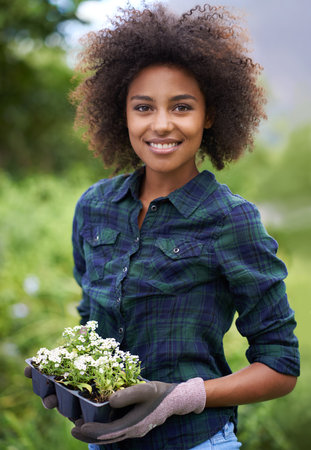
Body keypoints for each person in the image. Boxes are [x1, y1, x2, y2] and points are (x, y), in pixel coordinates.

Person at [26, 3, 300, 449]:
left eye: (182, 106)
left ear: (209, 114)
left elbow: (281, 366)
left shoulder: (231, 219)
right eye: (143, 107)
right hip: (106, 441)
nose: (161, 124)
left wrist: (177, 396)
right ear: (124, 114)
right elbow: (89, 317)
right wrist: (68, 373)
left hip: (196, 441)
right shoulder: (96, 207)